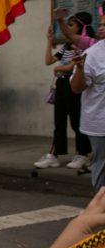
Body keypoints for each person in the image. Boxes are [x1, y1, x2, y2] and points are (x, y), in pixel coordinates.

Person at [37, 17, 94, 170]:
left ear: (80, 27)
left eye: (71, 25)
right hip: (61, 84)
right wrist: (49, 41)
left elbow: (70, 67)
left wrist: (58, 69)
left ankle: (82, 153)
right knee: (59, 119)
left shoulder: (86, 45)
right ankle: (54, 154)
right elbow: (49, 61)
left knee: (76, 120)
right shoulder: (67, 47)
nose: (68, 28)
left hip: (74, 83)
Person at [71, 9, 105, 191]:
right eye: (101, 24)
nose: (101, 28)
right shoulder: (92, 54)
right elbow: (76, 88)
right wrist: (79, 69)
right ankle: (98, 211)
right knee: (102, 169)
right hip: (100, 124)